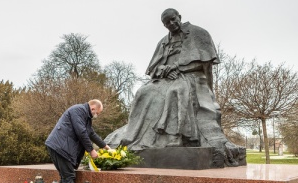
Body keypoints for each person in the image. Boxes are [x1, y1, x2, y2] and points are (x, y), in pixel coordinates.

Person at [105, 8, 245, 167]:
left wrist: (179, 69)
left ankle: (175, 135)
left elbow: (205, 64)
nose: (171, 24)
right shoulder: (164, 41)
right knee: (143, 92)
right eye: (167, 23)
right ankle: (133, 135)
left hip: (191, 76)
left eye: (173, 19)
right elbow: (153, 69)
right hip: (166, 78)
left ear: (179, 17)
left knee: (176, 90)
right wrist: (163, 70)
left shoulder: (199, 34)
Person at [45, 99, 110, 183]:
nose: (97, 116)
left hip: (61, 147)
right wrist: (91, 150)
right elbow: (81, 132)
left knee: (65, 177)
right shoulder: (78, 110)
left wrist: (106, 147)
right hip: (60, 147)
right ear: (93, 108)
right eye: (97, 113)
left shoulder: (85, 116)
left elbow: (91, 133)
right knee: (69, 176)